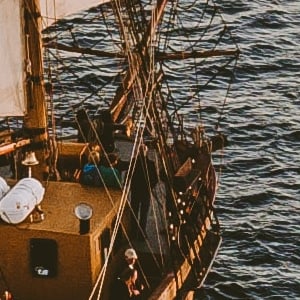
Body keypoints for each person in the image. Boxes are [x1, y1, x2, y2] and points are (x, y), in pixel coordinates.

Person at [130, 144, 158, 239]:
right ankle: (142, 233)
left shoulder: (134, 162)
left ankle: (133, 233)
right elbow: (155, 178)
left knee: (134, 211)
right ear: (146, 152)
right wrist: (150, 187)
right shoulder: (151, 164)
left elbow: (129, 176)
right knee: (144, 212)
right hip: (145, 191)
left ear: (138, 152)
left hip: (135, 191)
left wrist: (131, 186)